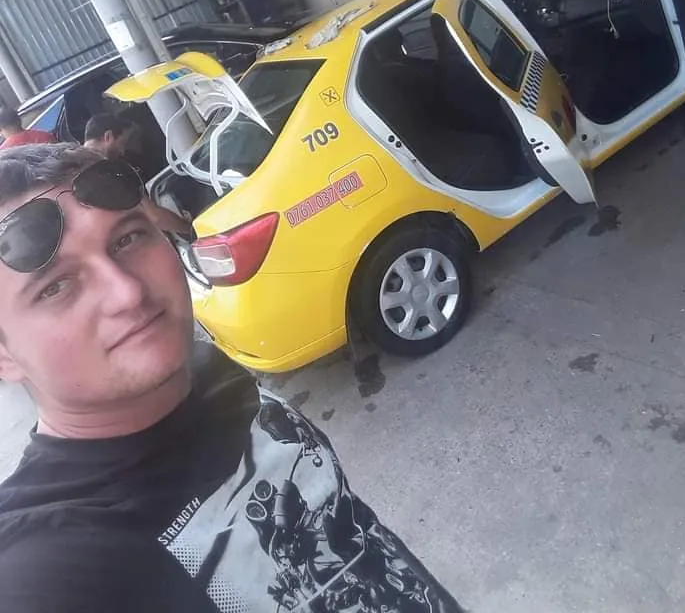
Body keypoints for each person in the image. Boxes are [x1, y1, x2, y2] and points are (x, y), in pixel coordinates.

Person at [0, 143, 463, 613]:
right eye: (55, 287)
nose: (127, 292)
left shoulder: (208, 369)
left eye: (127, 240)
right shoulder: (46, 566)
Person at [84, 112, 192, 238]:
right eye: (122, 144)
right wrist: (189, 229)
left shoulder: (73, 168)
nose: (122, 152)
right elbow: (155, 217)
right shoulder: (112, 172)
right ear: (108, 136)